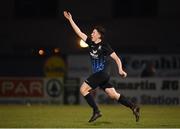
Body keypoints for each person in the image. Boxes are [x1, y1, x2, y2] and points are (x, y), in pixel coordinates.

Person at [63, 11, 140, 123]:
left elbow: (117, 58)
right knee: (113, 95)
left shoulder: (104, 46)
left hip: (102, 74)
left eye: (94, 32)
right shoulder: (90, 42)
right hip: (101, 76)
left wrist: (120, 70)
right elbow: (79, 32)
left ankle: (96, 111)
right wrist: (70, 19)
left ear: (99, 34)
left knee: (82, 89)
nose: (91, 34)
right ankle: (133, 106)